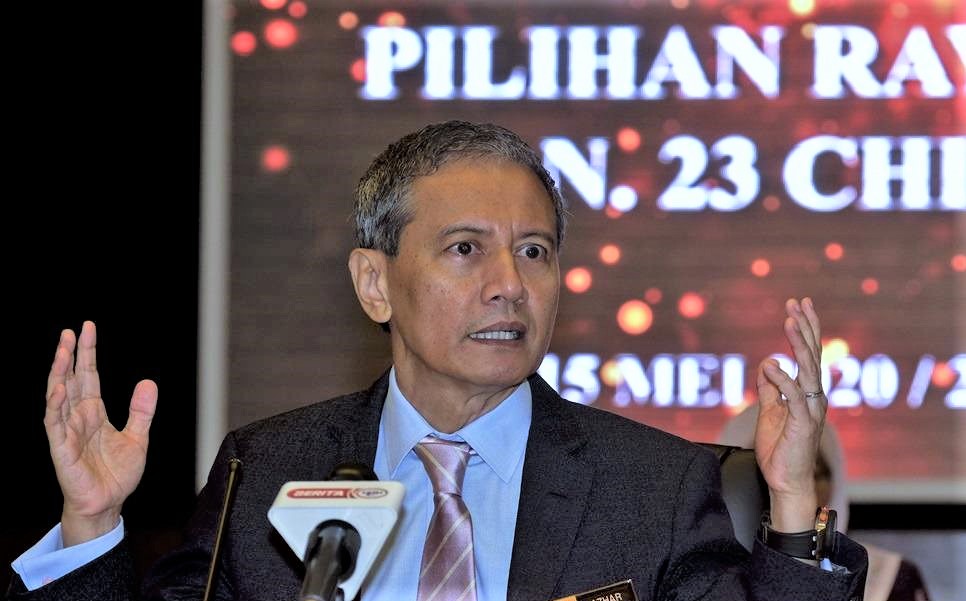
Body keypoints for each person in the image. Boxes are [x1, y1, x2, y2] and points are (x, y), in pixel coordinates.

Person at [8, 120, 868, 601]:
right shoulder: (267, 469)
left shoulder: (651, 486)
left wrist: (794, 504)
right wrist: (90, 523)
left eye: (534, 251)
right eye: (465, 249)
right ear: (374, 283)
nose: (509, 285)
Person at [718, 405, 932, 601]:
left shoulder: (890, 576)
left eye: (815, 474)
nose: (799, 488)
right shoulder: (711, 575)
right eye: (771, 474)